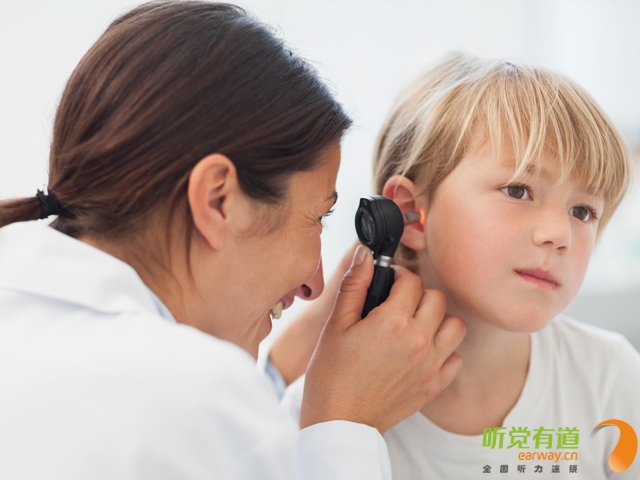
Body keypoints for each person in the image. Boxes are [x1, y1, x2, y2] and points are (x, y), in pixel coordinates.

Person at [0, 3, 468, 479]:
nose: (315, 285)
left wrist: (280, 377)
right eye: (318, 217)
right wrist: (346, 425)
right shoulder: (194, 398)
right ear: (218, 198)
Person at [281, 53, 640, 478]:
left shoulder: (610, 377)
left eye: (582, 212)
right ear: (411, 215)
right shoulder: (324, 418)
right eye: (518, 190)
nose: (559, 234)